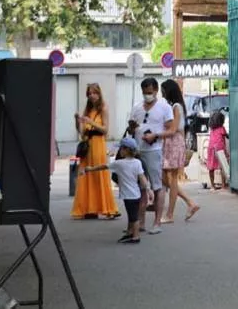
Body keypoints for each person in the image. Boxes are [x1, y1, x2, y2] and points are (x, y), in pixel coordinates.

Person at [128, 76, 174, 234]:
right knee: (140, 187)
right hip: (137, 150)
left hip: (154, 150)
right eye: (144, 92)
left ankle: (157, 222)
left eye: (150, 92)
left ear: (155, 91)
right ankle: (140, 222)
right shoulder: (136, 107)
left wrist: (156, 135)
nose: (147, 95)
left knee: (157, 186)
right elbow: (131, 128)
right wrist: (132, 128)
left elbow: (171, 130)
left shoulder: (164, 107)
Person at [84, 136, 151, 244]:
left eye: (121, 149)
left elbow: (104, 166)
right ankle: (130, 232)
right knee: (132, 215)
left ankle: (135, 236)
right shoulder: (137, 162)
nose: (119, 151)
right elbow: (142, 177)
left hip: (128, 195)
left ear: (126, 150)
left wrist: (91, 169)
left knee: (134, 217)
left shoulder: (119, 163)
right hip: (136, 194)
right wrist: (148, 189)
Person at [71, 82, 119, 220]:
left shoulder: (103, 108)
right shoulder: (87, 110)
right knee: (86, 176)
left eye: (94, 93)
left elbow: (105, 130)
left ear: (99, 93)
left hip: (98, 144)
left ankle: (107, 207)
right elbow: (81, 133)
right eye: (89, 93)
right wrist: (77, 121)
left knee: (98, 174)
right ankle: (89, 208)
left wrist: (91, 122)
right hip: (87, 145)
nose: (92, 96)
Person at [160, 79, 200, 223]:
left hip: (173, 143)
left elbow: (174, 128)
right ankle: (190, 202)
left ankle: (170, 214)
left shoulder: (176, 106)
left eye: (163, 90)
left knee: (171, 180)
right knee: (166, 179)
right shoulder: (177, 106)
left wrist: (157, 133)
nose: (162, 93)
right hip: (173, 143)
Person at [205, 109, 228, 190]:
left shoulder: (212, 129)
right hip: (219, 148)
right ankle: (223, 185)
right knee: (222, 166)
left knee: (211, 167)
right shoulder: (222, 128)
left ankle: (212, 185)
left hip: (211, 148)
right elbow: (227, 136)